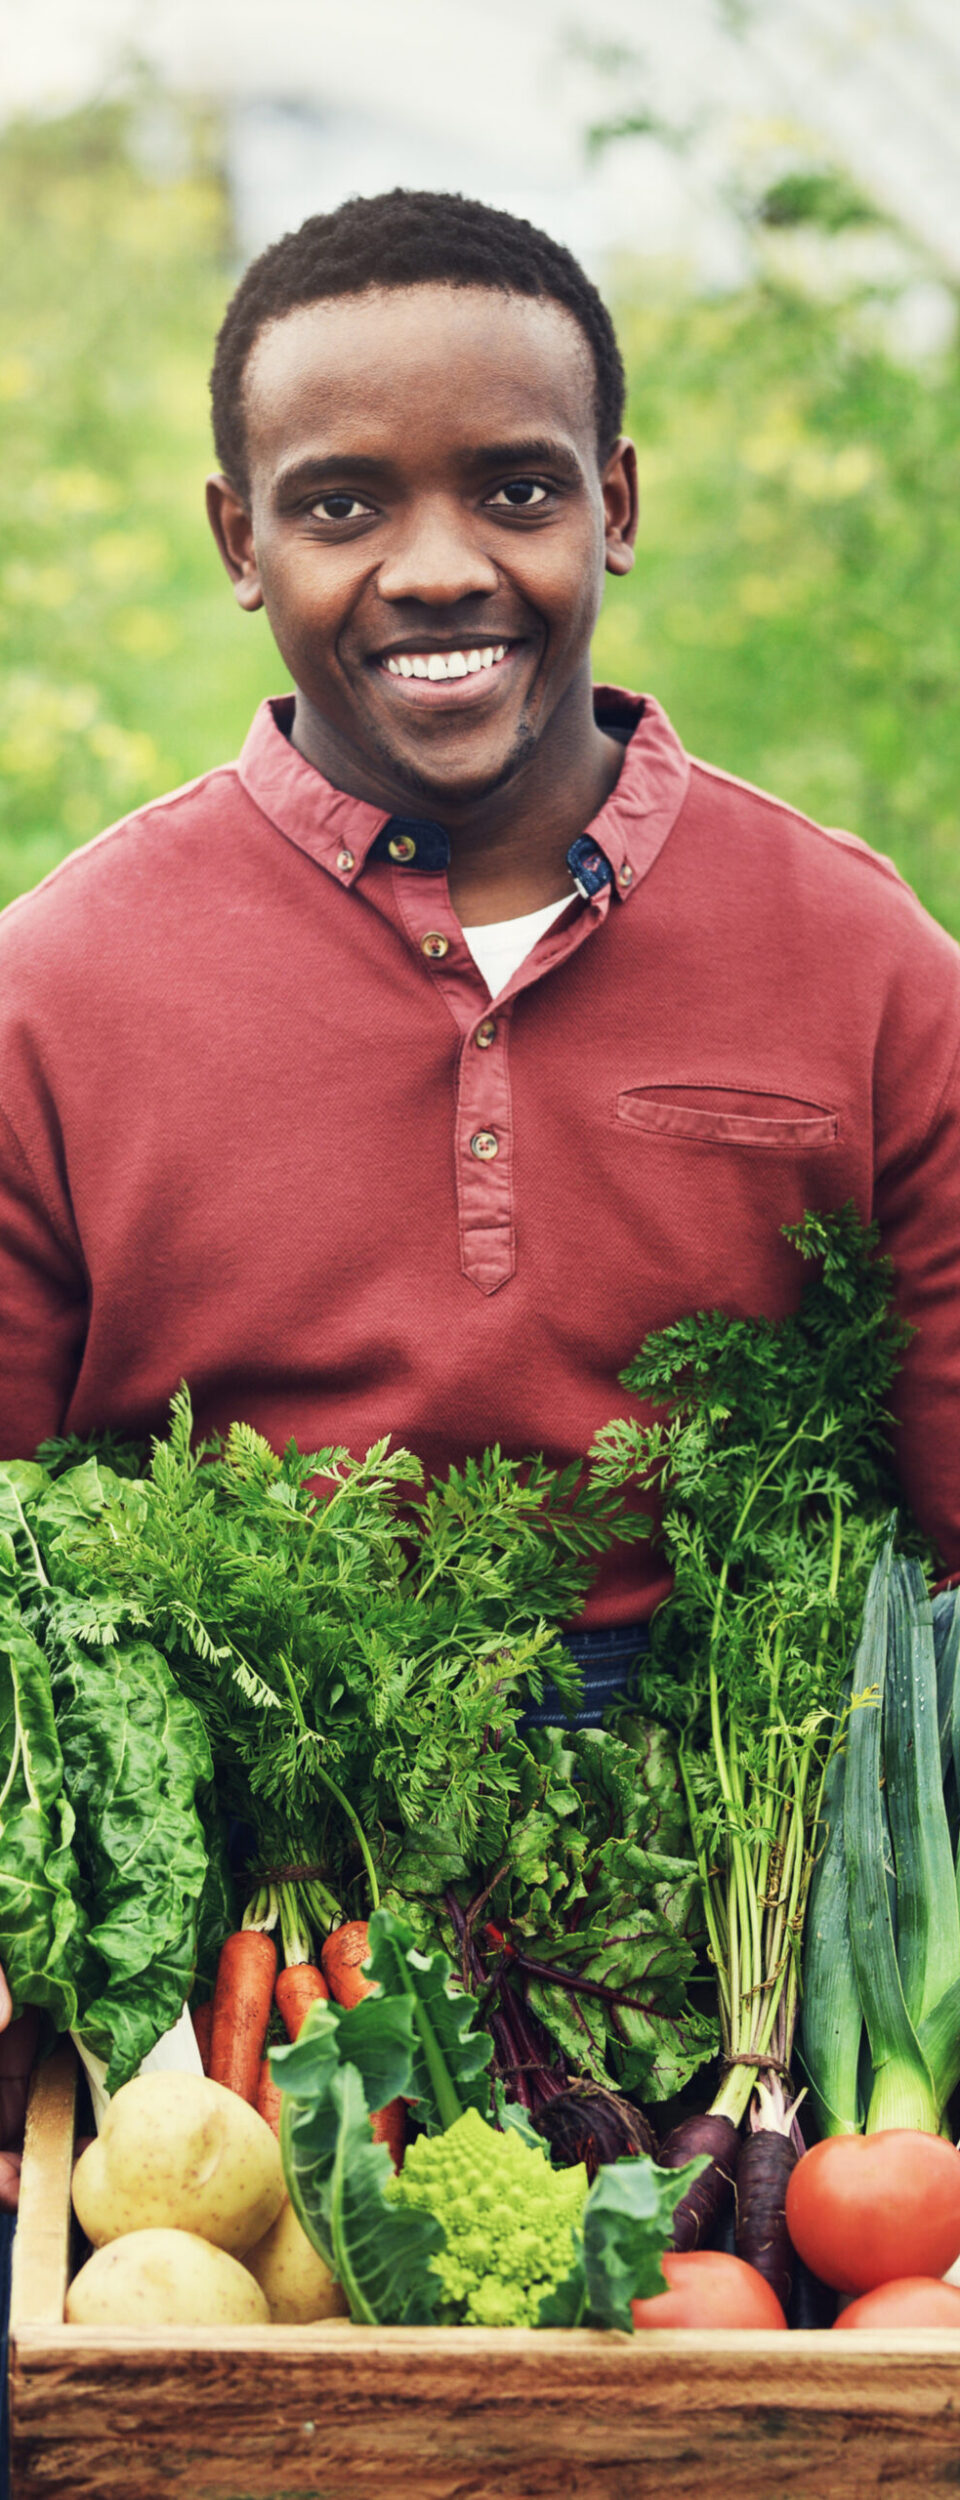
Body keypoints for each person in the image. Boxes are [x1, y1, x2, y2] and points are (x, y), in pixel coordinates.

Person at [2, 188, 960, 2215]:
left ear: (613, 504)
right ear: (234, 539)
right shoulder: (61, 980)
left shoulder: (861, 957)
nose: (439, 567)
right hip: (245, 1916)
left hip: (744, 1906)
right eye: (341, 505)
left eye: (513, 487)